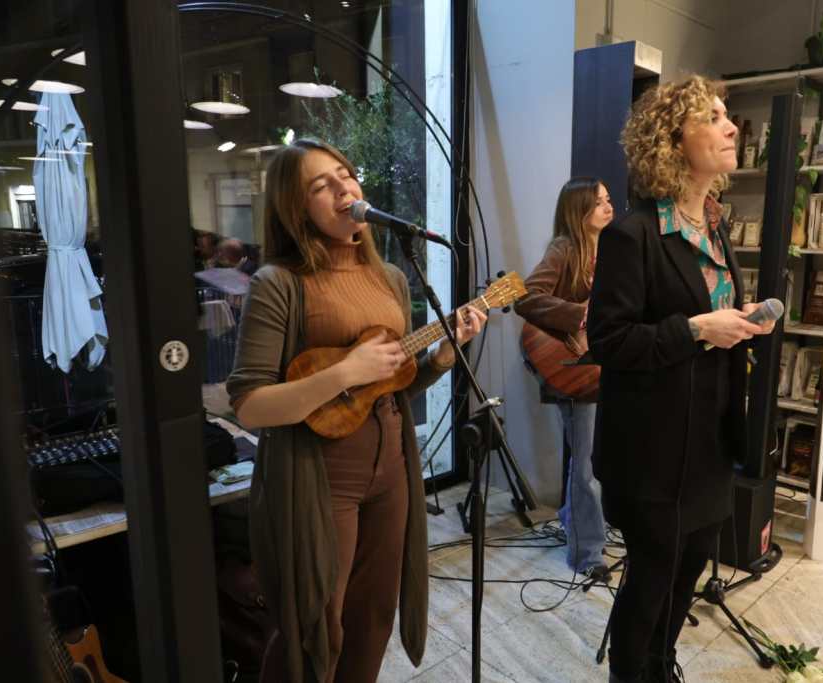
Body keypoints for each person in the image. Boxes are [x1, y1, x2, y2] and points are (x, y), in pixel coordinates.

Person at [226, 138, 486, 683]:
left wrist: (439, 358)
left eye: (347, 175)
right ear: (296, 209)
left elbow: (384, 388)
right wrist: (344, 371)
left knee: (372, 618)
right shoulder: (279, 284)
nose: (345, 188)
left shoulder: (389, 278)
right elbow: (250, 405)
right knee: (316, 627)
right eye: (323, 185)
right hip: (319, 478)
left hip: (390, 469)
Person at [586, 76, 776, 683]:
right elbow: (608, 342)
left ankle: (660, 665)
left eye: (728, 117)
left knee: (692, 563)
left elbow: (708, 317)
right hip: (653, 449)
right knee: (651, 577)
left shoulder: (716, 227)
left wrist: (744, 323)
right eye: (713, 118)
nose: (730, 128)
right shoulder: (632, 233)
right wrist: (696, 328)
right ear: (673, 141)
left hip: (711, 440)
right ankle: (631, 674)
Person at [515, 177, 614, 580]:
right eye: (600, 202)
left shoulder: (610, 250)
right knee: (585, 462)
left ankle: (579, 522)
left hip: (600, 365)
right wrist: (579, 316)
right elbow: (526, 296)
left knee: (592, 459)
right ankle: (587, 553)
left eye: (609, 200)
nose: (609, 207)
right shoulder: (565, 249)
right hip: (570, 364)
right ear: (580, 211)